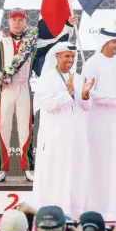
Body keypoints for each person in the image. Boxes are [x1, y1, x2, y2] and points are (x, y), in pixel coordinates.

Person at [0, 0, 78, 182]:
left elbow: (56, 42)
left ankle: (28, 168)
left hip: (24, 92)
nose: (17, 22)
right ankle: (1, 170)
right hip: (3, 92)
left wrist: (68, 26)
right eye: (14, 19)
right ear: (8, 21)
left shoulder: (33, 42)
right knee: (2, 129)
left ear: (25, 22)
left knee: (25, 130)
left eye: (21, 19)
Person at [80, 27, 116, 221]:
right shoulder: (92, 64)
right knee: (100, 162)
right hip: (98, 122)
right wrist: (114, 98)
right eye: (114, 42)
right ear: (104, 43)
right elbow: (87, 92)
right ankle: (98, 209)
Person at [32, 42, 92, 218]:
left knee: (75, 175)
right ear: (56, 56)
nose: (71, 60)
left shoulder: (79, 78)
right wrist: (68, 93)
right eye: (67, 56)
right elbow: (46, 105)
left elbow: (86, 107)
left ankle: (74, 213)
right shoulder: (47, 78)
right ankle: (51, 214)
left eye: (73, 56)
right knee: (56, 176)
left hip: (76, 138)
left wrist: (85, 95)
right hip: (55, 138)